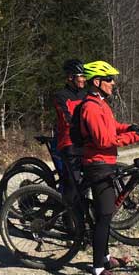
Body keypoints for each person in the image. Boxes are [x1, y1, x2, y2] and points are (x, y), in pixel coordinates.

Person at [78, 60, 139, 275]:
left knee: (106, 215)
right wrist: (135, 137)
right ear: (96, 82)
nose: (113, 83)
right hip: (97, 165)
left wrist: (129, 127)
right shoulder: (90, 107)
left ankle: (105, 259)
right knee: (104, 217)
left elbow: (112, 126)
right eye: (109, 79)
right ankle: (98, 271)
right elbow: (103, 140)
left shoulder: (100, 104)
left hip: (105, 163)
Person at [52, 59, 86, 194]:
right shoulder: (60, 96)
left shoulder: (86, 94)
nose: (84, 79)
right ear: (70, 77)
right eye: (81, 76)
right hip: (68, 142)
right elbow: (67, 120)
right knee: (72, 184)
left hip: (84, 141)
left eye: (84, 76)